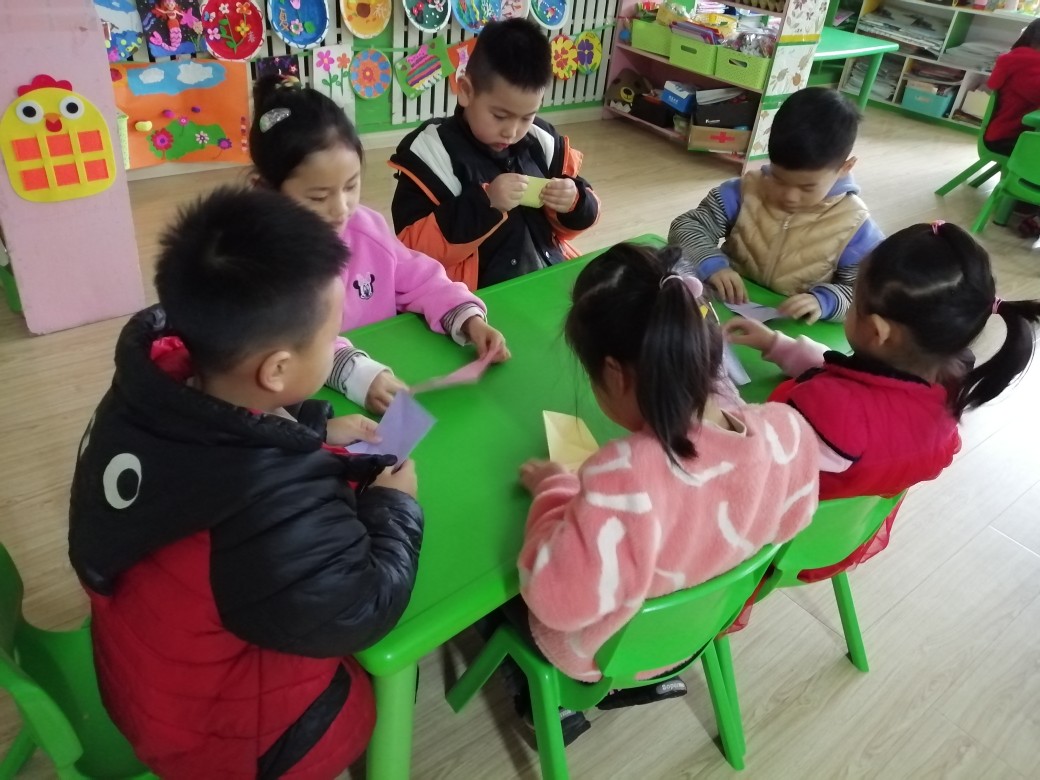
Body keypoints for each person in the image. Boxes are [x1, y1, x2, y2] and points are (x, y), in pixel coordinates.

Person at [68, 188, 425, 779]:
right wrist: (394, 505)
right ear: (277, 369)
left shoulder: (152, 388)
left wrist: (310, 427)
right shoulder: (267, 501)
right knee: (381, 690)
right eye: (331, 336)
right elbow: (361, 609)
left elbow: (228, 441)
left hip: (143, 678)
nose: (338, 344)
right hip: (224, 742)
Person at [511, 243, 820, 743]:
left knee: (501, 599)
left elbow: (555, 600)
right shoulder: (788, 430)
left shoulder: (620, 478)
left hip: (607, 651)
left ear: (614, 374)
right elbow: (790, 526)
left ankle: (548, 703)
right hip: (701, 628)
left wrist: (554, 488)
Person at [725, 221, 1040, 576]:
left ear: (877, 331)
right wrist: (777, 345)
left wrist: (716, 402)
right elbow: (857, 382)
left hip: (759, 547)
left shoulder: (827, 415)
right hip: (834, 541)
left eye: (853, 302)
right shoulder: (946, 392)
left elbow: (743, 461)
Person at [250, 76, 509, 414]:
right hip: (310, 407)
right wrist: (358, 374)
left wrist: (467, 318)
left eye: (350, 186)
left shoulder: (365, 228)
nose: (341, 208)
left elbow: (418, 277)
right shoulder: (258, 259)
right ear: (266, 191)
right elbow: (293, 338)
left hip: (388, 370)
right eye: (318, 197)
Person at [389, 18, 601, 290]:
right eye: (500, 116)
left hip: (548, 276)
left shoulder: (542, 142)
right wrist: (486, 204)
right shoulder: (431, 154)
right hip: (476, 299)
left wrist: (575, 202)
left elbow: (580, 220)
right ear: (466, 91)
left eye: (527, 117)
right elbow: (411, 248)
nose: (512, 132)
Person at [669, 88, 884, 323]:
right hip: (725, 310)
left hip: (791, 329)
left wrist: (825, 301)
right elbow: (686, 227)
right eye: (778, 178)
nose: (789, 196)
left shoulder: (855, 225)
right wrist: (711, 265)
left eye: (807, 187)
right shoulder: (744, 191)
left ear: (845, 167)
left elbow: (865, 294)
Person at [983, 18, 1040, 158]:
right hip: (1009, 137)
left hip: (1006, 133)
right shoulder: (1029, 63)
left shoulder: (1013, 57)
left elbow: (992, 84)